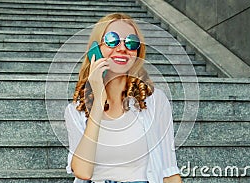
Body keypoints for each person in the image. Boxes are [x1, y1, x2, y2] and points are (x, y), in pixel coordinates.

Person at [64, 13, 182, 183]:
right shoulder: (75, 111)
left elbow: (169, 170)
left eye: (131, 42)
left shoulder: (155, 101)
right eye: (112, 40)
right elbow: (82, 171)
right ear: (95, 49)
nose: (122, 48)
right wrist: (98, 102)